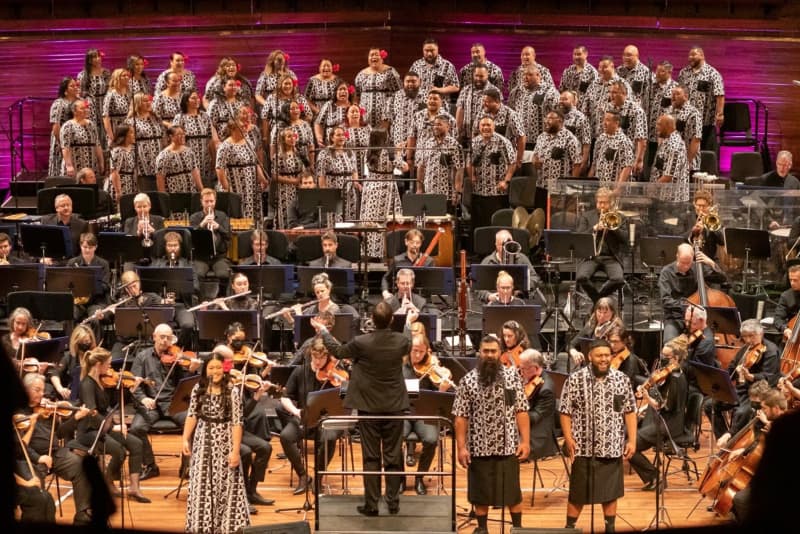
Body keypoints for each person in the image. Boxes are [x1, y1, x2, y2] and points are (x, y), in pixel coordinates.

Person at [312, 302, 417, 516]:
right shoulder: (401, 341)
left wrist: (323, 331)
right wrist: (407, 323)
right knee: (393, 455)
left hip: (368, 407)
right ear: (391, 321)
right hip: (394, 407)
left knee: (371, 457)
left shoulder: (361, 342)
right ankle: (393, 503)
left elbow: (339, 351)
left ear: (372, 320)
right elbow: (407, 342)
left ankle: (371, 505)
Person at [453, 334, 530, 532]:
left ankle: (519, 528)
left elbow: (521, 410)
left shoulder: (513, 377)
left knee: (512, 492)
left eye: (493, 351)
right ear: (480, 353)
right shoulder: (467, 381)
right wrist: (461, 447)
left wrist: (525, 441)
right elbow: (461, 417)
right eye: (485, 351)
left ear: (500, 353)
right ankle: (483, 528)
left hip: (508, 446)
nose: (489, 355)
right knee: (481, 493)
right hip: (479, 447)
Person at [560, 339, 637, 533]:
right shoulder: (575, 379)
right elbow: (565, 411)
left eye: (607, 355)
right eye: (599, 355)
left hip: (611, 446)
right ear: (590, 357)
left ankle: (609, 528)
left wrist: (632, 440)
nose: (604, 359)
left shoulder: (622, 379)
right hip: (583, 448)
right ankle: (569, 528)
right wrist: (568, 438)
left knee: (610, 493)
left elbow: (629, 411)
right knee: (578, 493)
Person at [182, 352, 250, 533]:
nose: (215, 371)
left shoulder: (232, 390)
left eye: (218, 367)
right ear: (205, 370)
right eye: (211, 368)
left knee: (226, 484)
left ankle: (227, 527)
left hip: (225, 440)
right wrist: (185, 438)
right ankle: (202, 526)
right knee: (201, 483)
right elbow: (192, 414)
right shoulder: (198, 388)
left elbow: (237, 422)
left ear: (225, 368)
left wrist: (235, 451)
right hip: (203, 440)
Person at [17, 372, 94, 524]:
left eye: (42, 390)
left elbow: (60, 434)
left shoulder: (47, 410)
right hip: (31, 458)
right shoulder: (19, 413)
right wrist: (38, 458)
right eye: (37, 390)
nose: (42, 394)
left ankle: (82, 515)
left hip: (55, 453)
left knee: (80, 465)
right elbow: (19, 446)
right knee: (38, 488)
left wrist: (75, 418)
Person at [77, 347, 150, 502]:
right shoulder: (87, 384)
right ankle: (107, 481)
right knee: (119, 451)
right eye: (108, 365)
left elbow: (116, 404)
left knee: (136, 444)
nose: (110, 368)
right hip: (91, 430)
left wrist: (131, 389)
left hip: (104, 427)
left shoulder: (102, 381)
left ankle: (134, 488)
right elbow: (92, 412)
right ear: (98, 364)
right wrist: (112, 427)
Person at [130, 323, 201, 481]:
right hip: (151, 404)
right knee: (136, 429)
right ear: (154, 337)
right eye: (162, 337)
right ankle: (150, 465)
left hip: (173, 403)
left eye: (168, 338)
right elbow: (133, 385)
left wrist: (191, 370)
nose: (165, 341)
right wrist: (144, 398)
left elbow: (186, 384)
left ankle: (186, 466)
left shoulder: (177, 358)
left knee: (192, 424)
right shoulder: (142, 357)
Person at [278, 336, 345, 495]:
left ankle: (318, 477)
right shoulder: (300, 371)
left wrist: (342, 382)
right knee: (285, 436)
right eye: (315, 357)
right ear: (310, 354)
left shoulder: (333, 375)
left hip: (327, 420)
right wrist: (296, 412)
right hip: (305, 417)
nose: (318, 361)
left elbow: (347, 398)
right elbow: (285, 396)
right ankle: (303, 476)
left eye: (322, 358)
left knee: (329, 438)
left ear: (328, 357)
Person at [628, 337, 689, 490]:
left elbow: (662, 406)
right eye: (661, 355)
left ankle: (655, 477)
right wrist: (643, 408)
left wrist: (646, 397)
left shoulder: (677, 379)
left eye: (665, 357)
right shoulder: (668, 375)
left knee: (629, 447)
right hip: (658, 418)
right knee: (625, 431)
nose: (662, 360)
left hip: (669, 424)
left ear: (675, 358)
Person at [704, 319, 779, 440]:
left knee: (741, 413)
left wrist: (751, 376)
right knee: (709, 405)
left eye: (751, 336)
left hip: (759, 394)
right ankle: (725, 439)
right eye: (745, 337)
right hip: (741, 391)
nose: (748, 340)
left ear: (761, 333)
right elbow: (731, 368)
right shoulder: (746, 349)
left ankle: (732, 440)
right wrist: (722, 377)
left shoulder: (770, 351)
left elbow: (770, 377)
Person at [403, 333, 453, 495]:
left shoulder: (432, 368)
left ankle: (419, 477)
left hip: (424, 413)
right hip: (403, 412)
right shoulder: (399, 366)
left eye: (421, 352)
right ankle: (399, 479)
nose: (418, 355)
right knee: (392, 438)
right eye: (414, 351)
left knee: (431, 440)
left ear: (427, 352)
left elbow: (438, 398)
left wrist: (442, 389)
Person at [658, 242, 724, 342]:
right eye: (682, 262)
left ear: (693, 258)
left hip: (696, 320)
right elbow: (665, 300)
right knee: (670, 344)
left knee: (707, 342)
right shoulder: (666, 272)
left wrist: (711, 263)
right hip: (675, 318)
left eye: (688, 263)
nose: (685, 266)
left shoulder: (697, 268)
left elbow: (722, 279)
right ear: (677, 256)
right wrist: (688, 306)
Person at [575, 187, 627, 303]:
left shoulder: (619, 217)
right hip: (591, 257)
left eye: (605, 203)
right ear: (596, 201)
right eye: (599, 202)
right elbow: (579, 236)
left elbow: (625, 240)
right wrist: (594, 228)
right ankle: (598, 302)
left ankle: (597, 301)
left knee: (618, 279)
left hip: (611, 258)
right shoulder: (587, 216)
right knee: (581, 278)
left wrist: (613, 228)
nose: (602, 206)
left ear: (611, 203)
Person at [216, 119, 269, 224]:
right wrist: (228, 191)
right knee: (239, 216)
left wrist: (263, 179)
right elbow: (220, 169)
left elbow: (255, 162)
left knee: (254, 217)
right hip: (236, 188)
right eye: (242, 127)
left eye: (245, 127)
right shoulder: (225, 146)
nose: (245, 129)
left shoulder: (248, 140)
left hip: (252, 187)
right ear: (232, 129)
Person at [361, 128, 404, 257]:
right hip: (385, 187)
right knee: (385, 220)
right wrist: (399, 153)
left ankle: (370, 252)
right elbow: (404, 167)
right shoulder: (388, 152)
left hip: (370, 186)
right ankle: (383, 253)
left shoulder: (368, 151)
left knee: (370, 220)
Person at [467, 116, 516, 230]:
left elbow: (512, 163)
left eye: (488, 125)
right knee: (478, 225)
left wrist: (506, 181)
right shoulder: (474, 142)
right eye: (483, 125)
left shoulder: (503, 142)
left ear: (494, 126)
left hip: (497, 192)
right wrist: (472, 176)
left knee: (496, 225)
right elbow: (469, 163)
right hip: (478, 191)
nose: (485, 128)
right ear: (479, 127)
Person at [677, 46, 725, 152]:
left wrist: (720, 114)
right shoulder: (683, 73)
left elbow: (720, 95)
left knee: (706, 153)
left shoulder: (712, 73)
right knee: (687, 151)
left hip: (705, 122)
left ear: (702, 55)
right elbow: (678, 93)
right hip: (687, 121)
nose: (690, 57)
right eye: (689, 55)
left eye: (694, 55)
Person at [518, 348, 558, 460]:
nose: (520, 373)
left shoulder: (546, 389)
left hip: (538, 435)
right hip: (528, 427)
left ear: (535, 368)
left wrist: (515, 415)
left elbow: (536, 416)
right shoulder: (531, 379)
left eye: (523, 369)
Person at [508, 66, 558, 149]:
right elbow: (510, 115)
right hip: (520, 142)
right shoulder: (516, 92)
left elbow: (558, 116)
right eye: (523, 75)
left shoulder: (549, 91)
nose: (525, 77)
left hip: (542, 142)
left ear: (538, 75)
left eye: (529, 75)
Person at [567, 297, 624, 368]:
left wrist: (598, 337)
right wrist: (573, 351)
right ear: (595, 311)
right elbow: (571, 344)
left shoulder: (616, 328)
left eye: (605, 313)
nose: (602, 316)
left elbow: (609, 352)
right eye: (599, 312)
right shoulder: (591, 324)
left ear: (612, 313)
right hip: (589, 367)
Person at [66, 232, 110, 322]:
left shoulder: (103, 264)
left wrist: (88, 285)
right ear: (80, 246)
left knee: (95, 319)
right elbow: (66, 284)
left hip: (96, 302)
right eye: (85, 247)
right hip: (77, 302)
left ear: (95, 247)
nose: (87, 250)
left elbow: (106, 286)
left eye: (90, 248)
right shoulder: (72, 263)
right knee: (69, 317)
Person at [532, 110, 582, 190]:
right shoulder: (541, 137)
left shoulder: (569, 138)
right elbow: (535, 155)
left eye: (550, 118)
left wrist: (572, 185)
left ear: (560, 121)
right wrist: (535, 161)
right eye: (546, 118)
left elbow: (577, 162)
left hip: (560, 187)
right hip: (541, 184)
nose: (546, 121)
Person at [189, 187, 231, 279]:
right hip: (201, 257)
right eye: (206, 201)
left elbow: (228, 235)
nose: (209, 204)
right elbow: (191, 237)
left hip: (219, 257)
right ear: (201, 201)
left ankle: (223, 294)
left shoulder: (222, 216)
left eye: (211, 201)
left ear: (215, 201)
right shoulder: (194, 217)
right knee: (197, 274)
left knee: (223, 274)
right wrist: (202, 224)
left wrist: (218, 227)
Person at [125, 92, 164, 191]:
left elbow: (163, 136)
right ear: (138, 103)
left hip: (159, 156)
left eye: (149, 100)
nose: (149, 103)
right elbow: (129, 142)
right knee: (146, 189)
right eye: (145, 101)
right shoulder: (131, 121)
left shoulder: (156, 118)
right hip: (142, 160)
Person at [354, 47, 401, 128]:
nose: (374, 57)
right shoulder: (361, 74)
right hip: (365, 117)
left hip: (386, 115)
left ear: (382, 58)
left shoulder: (390, 72)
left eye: (376, 54)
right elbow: (357, 96)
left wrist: (391, 112)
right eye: (371, 55)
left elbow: (399, 93)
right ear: (368, 59)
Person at [381, 229, 434, 300]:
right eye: (412, 242)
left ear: (421, 243)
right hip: (401, 298)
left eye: (418, 243)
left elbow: (433, 283)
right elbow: (386, 278)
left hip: (423, 299)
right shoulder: (397, 260)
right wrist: (385, 292)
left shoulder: (429, 261)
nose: (415, 245)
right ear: (406, 242)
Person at [589, 111, 634, 187]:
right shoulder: (601, 139)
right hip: (600, 188)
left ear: (616, 123)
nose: (604, 123)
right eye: (604, 120)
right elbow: (594, 163)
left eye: (608, 120)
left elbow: (627, 167)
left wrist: (618, 189)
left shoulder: (624, 141)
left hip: (614, 188)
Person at [409, 38, 460, 103]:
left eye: (432, 50)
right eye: (426, 50)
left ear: (437, 49)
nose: (429, 54)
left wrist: (440, 90)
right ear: (423, 50)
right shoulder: (416, 65)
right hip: (420, 105)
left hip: (441, 106)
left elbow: (456, 87)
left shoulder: (448, 66)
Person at [155, 125, 203, 193]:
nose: (182, 136)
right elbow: (160, 178)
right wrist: (163, 197)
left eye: (183, 134)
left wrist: (201, 190)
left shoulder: (189, 152)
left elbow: (195, 172)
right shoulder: (163, 156)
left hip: (191, 192)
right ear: (171, 136)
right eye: (179, 134)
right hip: (174, 193)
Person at [665, 84, 702, 172]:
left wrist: (687, 162)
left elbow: (696, 140)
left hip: (688, 165)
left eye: (677, 94)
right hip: (669, 164)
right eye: (672, 94)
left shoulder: (694, 113)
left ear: (685, 96)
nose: (673, 97)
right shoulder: (668, 111)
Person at [681, 189, 724, 262]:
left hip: (709, 261)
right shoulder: (686, 217)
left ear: (709, 206)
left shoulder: (713, 219)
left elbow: (722, 241)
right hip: (689, 261)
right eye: (698, 205)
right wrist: (693, 231)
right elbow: (680, 238)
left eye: (704, 206)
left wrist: (709, 226)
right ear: (694, 204)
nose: (701, 209)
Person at [49, 77, 80, 177]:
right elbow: (56, 125)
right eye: (72, 86)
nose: (75, 87)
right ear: (65, 91)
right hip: (61, 141)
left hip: (75, 141)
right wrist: (62, 144)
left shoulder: (78, 102)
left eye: (76, 85)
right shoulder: (59, 103)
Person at [616, 45, 651, 112]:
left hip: (636, 113)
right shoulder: (618, 71)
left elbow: (649, 97)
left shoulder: (646, 73)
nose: (626, 58)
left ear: (637, 56)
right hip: (619, 111)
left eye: (629, 55)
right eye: (624, 55)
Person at [774, 264, 800, 339]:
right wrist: (785, 329)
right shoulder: (786, 296)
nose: (792, 283)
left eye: (795, 280)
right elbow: (778, 318)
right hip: (793, 335)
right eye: (790, 280)